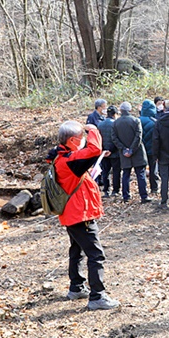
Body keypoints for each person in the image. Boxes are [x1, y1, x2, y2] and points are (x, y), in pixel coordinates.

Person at [46, 121, 119, 310]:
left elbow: (86, 157)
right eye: (81, 139)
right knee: (96, 255)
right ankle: (97, 296)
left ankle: (76, 287)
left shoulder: (61, 156)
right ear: (71, 140)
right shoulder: (69, 160)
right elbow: (94, 149)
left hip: (73, 213)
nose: (84, 141)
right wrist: (93, 130)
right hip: (80, 214)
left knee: (76, 251)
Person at [112, 102, 153, 204]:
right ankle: (144, 196)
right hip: (137, 152)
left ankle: (126, 196)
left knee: (126, 174)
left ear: (120, 110)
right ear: (130, 110)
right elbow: (138, 136)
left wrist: (124, 149)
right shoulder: (136, 120)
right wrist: (132, 149)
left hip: (124, 153)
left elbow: (114, 138)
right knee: (140, 174)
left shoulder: (115, 123)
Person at [97, 105, 121, 197]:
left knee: (105, 171)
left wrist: (104, 150)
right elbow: (117, 139)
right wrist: (111, 150)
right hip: (115, 153)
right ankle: (115, 190)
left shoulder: (100, 124)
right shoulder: (116, 124)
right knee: (116, 172)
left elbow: (99, 139)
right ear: (114, 114)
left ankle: (106, 190)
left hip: (103, 153)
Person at [140, 99, 159, 195]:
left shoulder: (137, 120)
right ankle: (154, 188)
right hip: (152, 150)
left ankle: (143, 190)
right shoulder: (155, 122)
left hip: (140, 150)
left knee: (141, 171)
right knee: (153, 169)